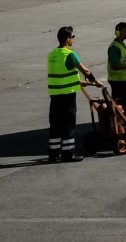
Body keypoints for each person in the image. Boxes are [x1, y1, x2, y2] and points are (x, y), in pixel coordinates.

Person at [45, 26, 96, 163]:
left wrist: (80, 82)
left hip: (55, 96)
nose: (73, 39)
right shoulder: (70, 54)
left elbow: (62, 74)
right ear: (67, 39)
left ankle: (53, 154)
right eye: (72, 37)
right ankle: (68, 153)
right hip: (67, 96)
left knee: (55, 125)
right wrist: (94, 80)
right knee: (68, 124)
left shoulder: (51, 55)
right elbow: (85, 70)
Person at [107, 22, 126, 117]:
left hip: (123, 80)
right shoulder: (115, 47)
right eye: (125, 31)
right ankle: (121, 122)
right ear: (117, 33)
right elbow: (114, 65)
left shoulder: (121, 44)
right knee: (120, 105)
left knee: (125, 103)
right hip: (118, 81)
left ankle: (125, 121)